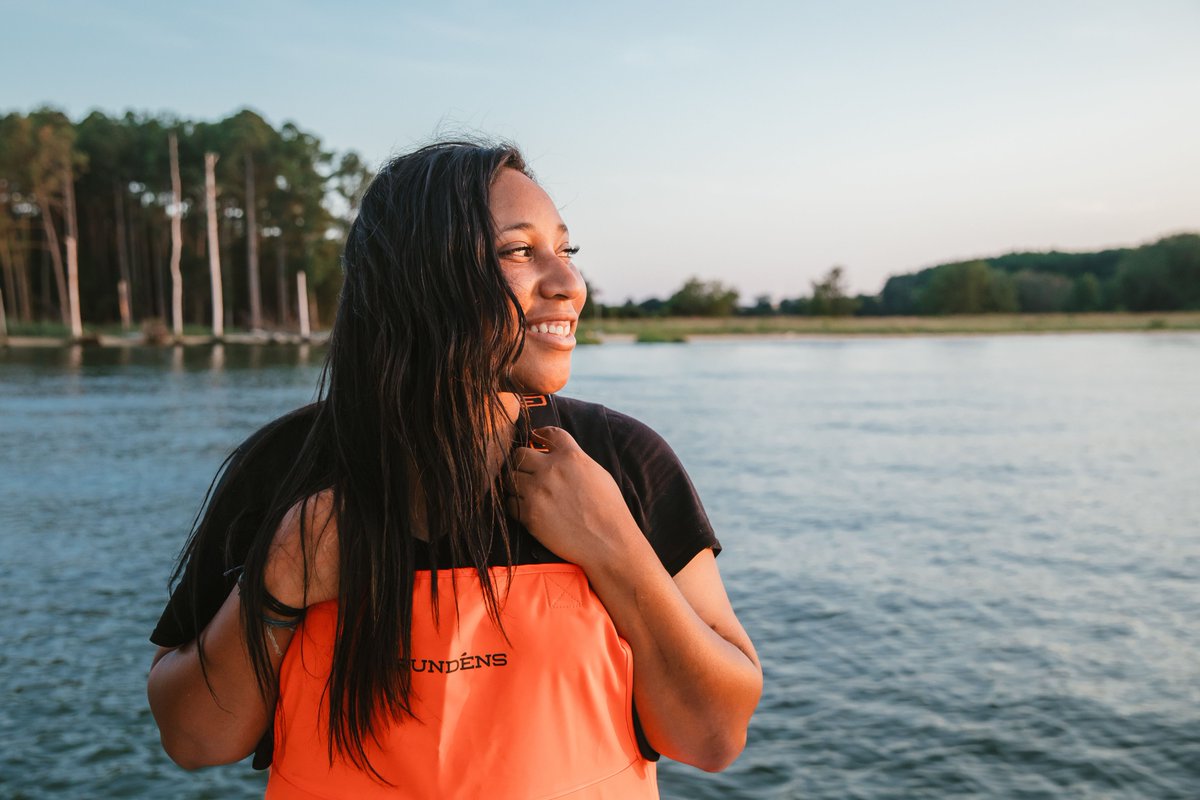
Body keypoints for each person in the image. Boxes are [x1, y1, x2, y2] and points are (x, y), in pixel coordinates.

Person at [147, 140, 762, 798]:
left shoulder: (623, 464)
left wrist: (615, 547)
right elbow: (194, 740)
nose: (568, 283)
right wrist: (278, 580)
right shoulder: (282, 471)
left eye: (566, 251)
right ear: (418, 274)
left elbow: (712, 737)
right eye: (520, 251)